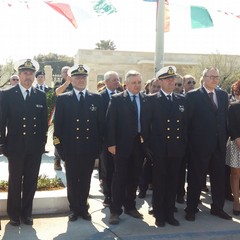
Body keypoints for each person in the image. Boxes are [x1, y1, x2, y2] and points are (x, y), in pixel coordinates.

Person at [53, 64, 104, 222]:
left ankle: (84, 207)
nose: (81, 80)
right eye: (77, 77)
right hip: (71, 148)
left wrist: (98, 149)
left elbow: (100, 126)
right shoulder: (63, 99)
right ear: (71, 79)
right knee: (73, 180)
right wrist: (60, 149)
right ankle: (74, 209)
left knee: (86, 180)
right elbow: (58, 127)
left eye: (83, 77)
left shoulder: (96, 98)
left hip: (89, 149)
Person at [0, 59, 48, 226]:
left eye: (31, 73)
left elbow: (43, 124)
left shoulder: (40, 95)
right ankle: (13, 214)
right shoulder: (6, 95)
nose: (28, 76)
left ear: (34, 76)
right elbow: (1, 122)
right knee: (15, 180)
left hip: (34, 147)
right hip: (15, 146)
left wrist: (43, 144)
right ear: (19, 75)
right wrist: (2, 144)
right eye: (25, 73)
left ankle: (26, 213)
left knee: (31, 180)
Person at [185, 67, 231, 221]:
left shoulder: (223, 95)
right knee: (196, 178)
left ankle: (218, 208)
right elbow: (188, 123)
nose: (214, 79)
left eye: (216, 77)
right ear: (203, 78)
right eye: (211, 76)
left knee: (218, 179)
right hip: (199, 146)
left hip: (219, 146)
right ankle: (191, 208)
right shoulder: (192, 96)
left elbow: (224, 119)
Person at [106, 70, 152, 225]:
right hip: (121, 145)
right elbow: (110, 123)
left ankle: (130, 206)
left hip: (140, 145)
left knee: (134, 177)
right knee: (119, 178)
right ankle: (115, 210)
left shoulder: (146, 99)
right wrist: (111, 143)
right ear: (126, 84)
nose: (137, 85)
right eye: (134, 83)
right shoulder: (117, 99)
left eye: (139, 82)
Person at [151, 66, 187, 227]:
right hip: (159, 150)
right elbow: (146, 127)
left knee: (173, 182)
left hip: (176, 149)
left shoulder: (181, 100)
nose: (171, 82)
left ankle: (169, 213)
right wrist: (148, 149)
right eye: (167, 79)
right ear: (160, 81)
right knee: (159, 183)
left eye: (173, 79)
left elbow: (186, 126)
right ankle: (159, 214)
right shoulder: (151, 100)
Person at [99, 71, 120, 207]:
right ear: (106, 82)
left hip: (120, 139)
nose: (117, 82)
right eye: (114, 80)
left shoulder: (122, 96)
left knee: (119, 169)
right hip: (105, 140)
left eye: (118, 80)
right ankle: (107, 195)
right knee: (107, 169)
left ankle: (118, 194)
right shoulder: (99, 97)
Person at [53, 66, 72, 171]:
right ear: (61, 74)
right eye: (64, 71)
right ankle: (57, 160)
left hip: (72, 116)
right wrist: (67, 83)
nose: (66, 73)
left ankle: (67, 159)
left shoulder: (75, 83)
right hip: (60, 115)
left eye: (67, 71)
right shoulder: (58, 83)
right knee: (58, 137)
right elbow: (58, 92)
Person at [226, 80, 240, 215]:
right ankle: (236, 202)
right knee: (235, 175)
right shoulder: (234, 107)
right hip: (237, 145)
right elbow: (231, 126)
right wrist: (237, 140)